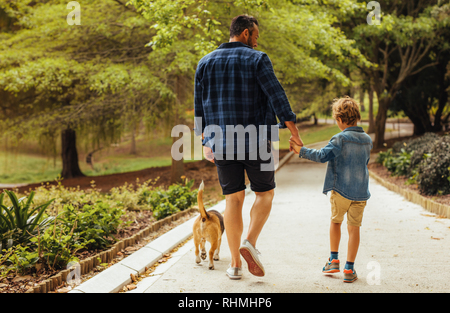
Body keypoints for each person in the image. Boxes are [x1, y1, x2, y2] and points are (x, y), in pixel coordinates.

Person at [194, 15, 303, 280]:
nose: (257, 42)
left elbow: (200, 107)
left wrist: (205, 142)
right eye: (255, 36)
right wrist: (295, 133)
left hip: (221, 142)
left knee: (233, 199)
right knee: (265, 194)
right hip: (257, 139)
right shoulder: (258, 59)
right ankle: (250, 242)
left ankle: (234, 265)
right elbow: (277, 95)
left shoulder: (205, 62)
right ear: (245, 33)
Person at [290, 96, 372, 283]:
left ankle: (334, 259)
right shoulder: (367, 139)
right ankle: (349, 269)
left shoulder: (340, 138)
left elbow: (322, 156)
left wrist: (301, 150)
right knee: (354, 229)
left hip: (340, 190)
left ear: (340, 120)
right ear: (357, 117)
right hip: (360, 193)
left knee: (336, 222)